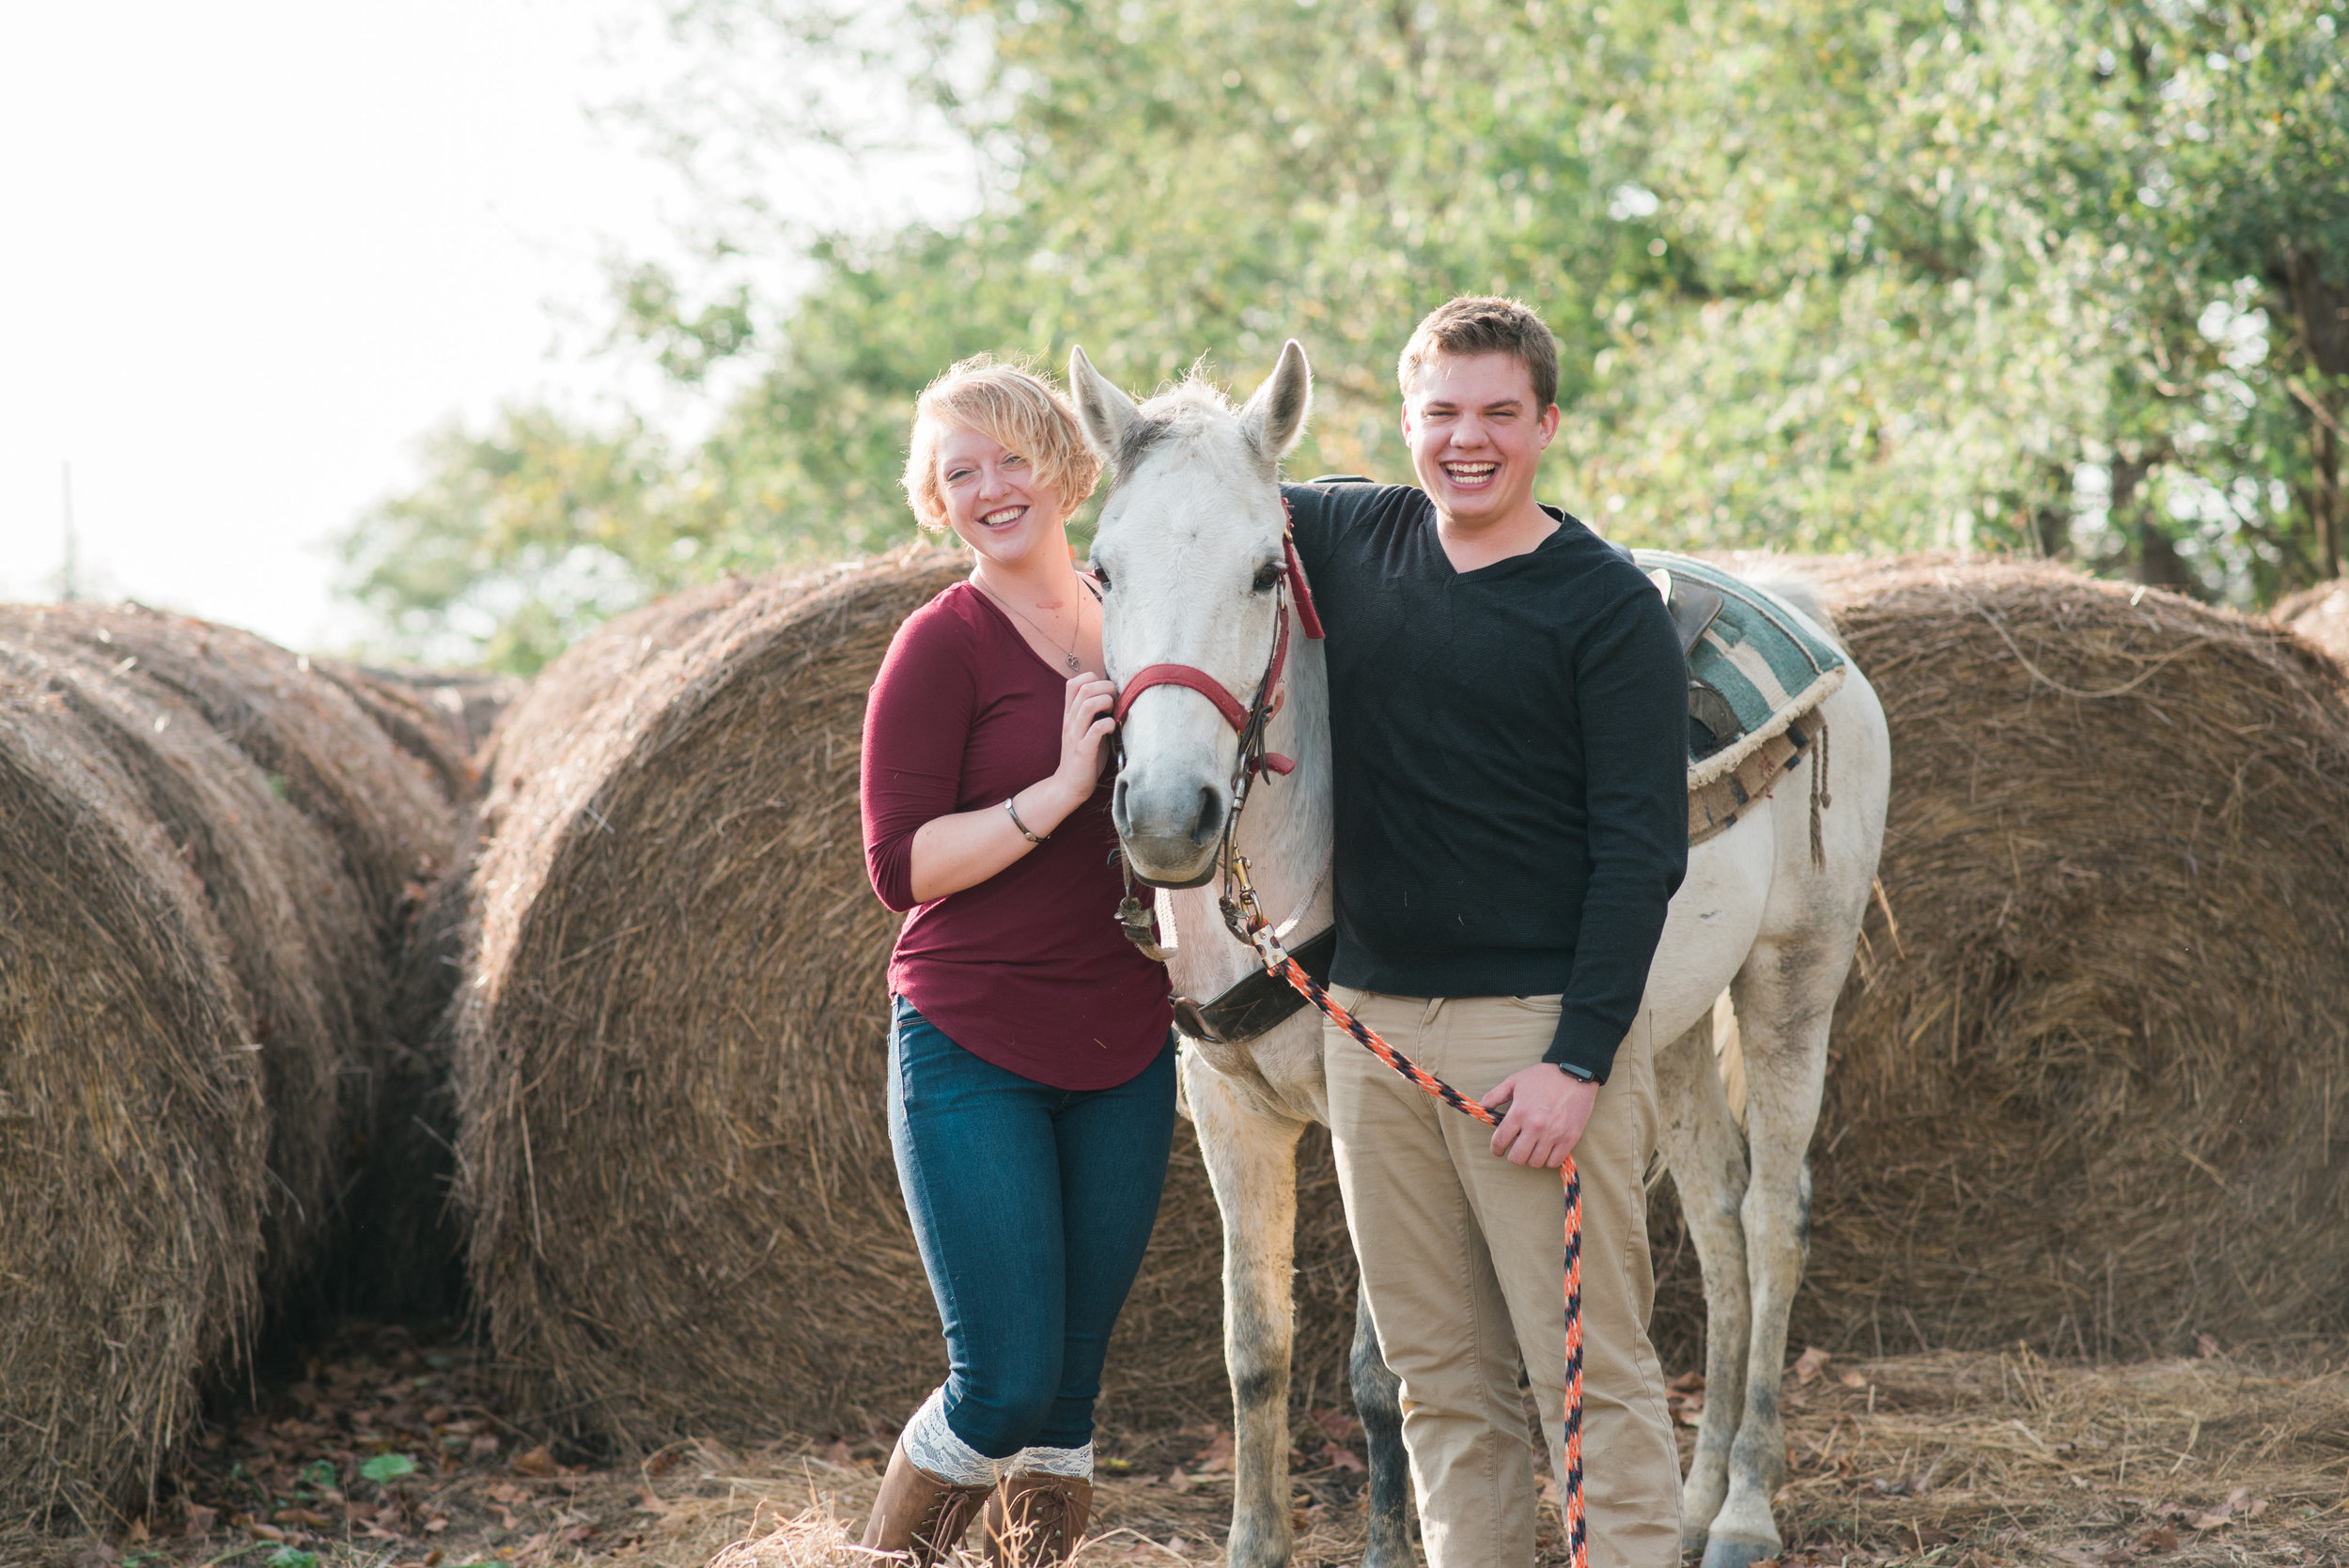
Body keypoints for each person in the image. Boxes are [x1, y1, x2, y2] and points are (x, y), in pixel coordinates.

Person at [1281, 296, 1688, 1568]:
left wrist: (1579, 1061)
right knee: (1438, 1384)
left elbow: (1643, 853)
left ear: (1546, 424)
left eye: (1499, 413)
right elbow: (1197, 501)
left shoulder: (1605, 605)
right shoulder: (1351, 534)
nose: (1469, 439)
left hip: (1535, 1044)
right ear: (1406, 421)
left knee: (1591, 1382)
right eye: (1443, 412)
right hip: (1372, 1031)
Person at [859, 357, 1176, 1567]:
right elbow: (902, 867)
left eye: (1009, 457)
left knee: (1070, 1398)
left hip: (1126, 1048)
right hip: (972, 1043)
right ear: (937, 505)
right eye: (959, 473)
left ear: (1065, 465)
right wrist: (1058, 791)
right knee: (1000, 1383)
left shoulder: (1142, 617)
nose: (991, 487)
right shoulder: (939, 645)